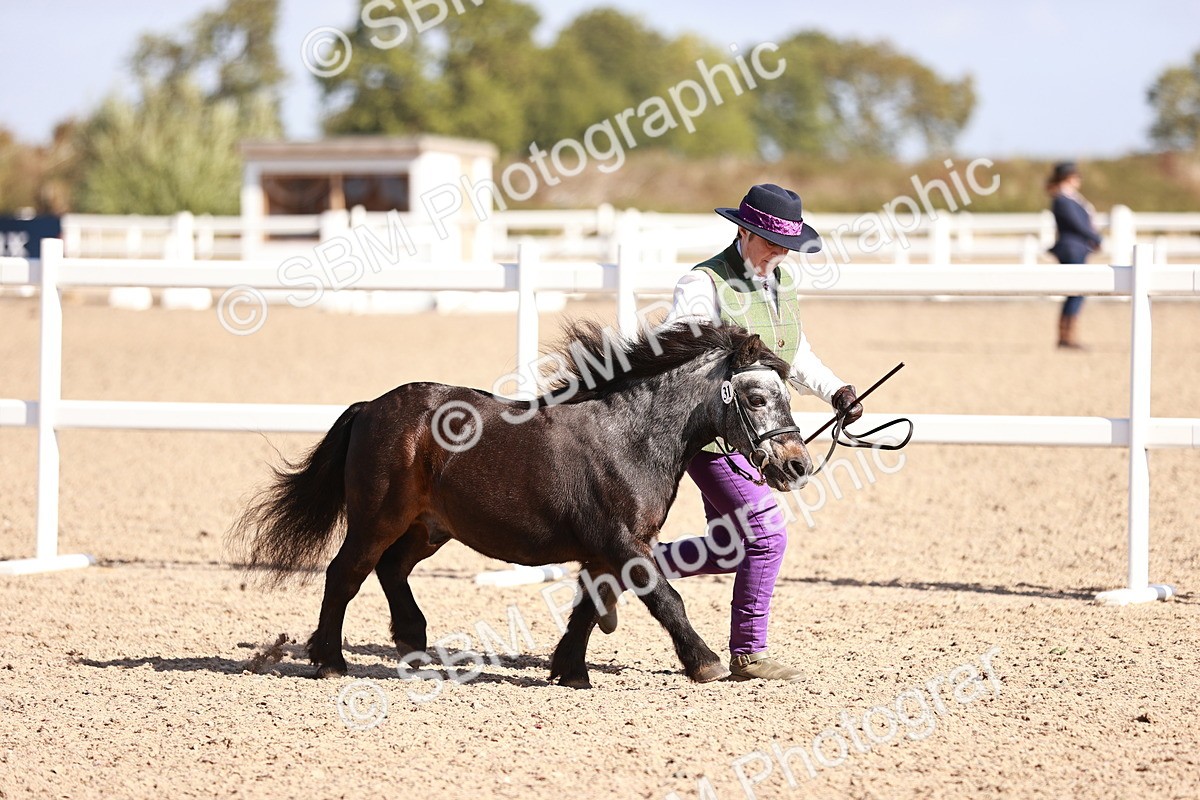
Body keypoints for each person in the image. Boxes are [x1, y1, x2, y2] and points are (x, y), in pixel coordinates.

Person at [598, 184, 863, 683]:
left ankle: (620, 569)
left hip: (755, 434)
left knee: (726, 548)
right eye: (771, 242)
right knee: (767, 537)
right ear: (743, 232)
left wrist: (835, 391)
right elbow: (682, 352)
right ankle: (748, 653)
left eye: (786, 246)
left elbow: (796, 352)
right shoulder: (702, 284)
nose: (779, 254)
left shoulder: (781, 283)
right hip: (713, 439)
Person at [1047, 162, 1102, 349]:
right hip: (1071, 249)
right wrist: (1095, 237)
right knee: (1076, 291)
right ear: (1068, 178)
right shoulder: (1063, 200)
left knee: (1077, 292)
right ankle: (1066, 336)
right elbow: (1077, 224)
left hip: (1077, 248)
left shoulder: (1070, 198)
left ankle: (1067, 334)